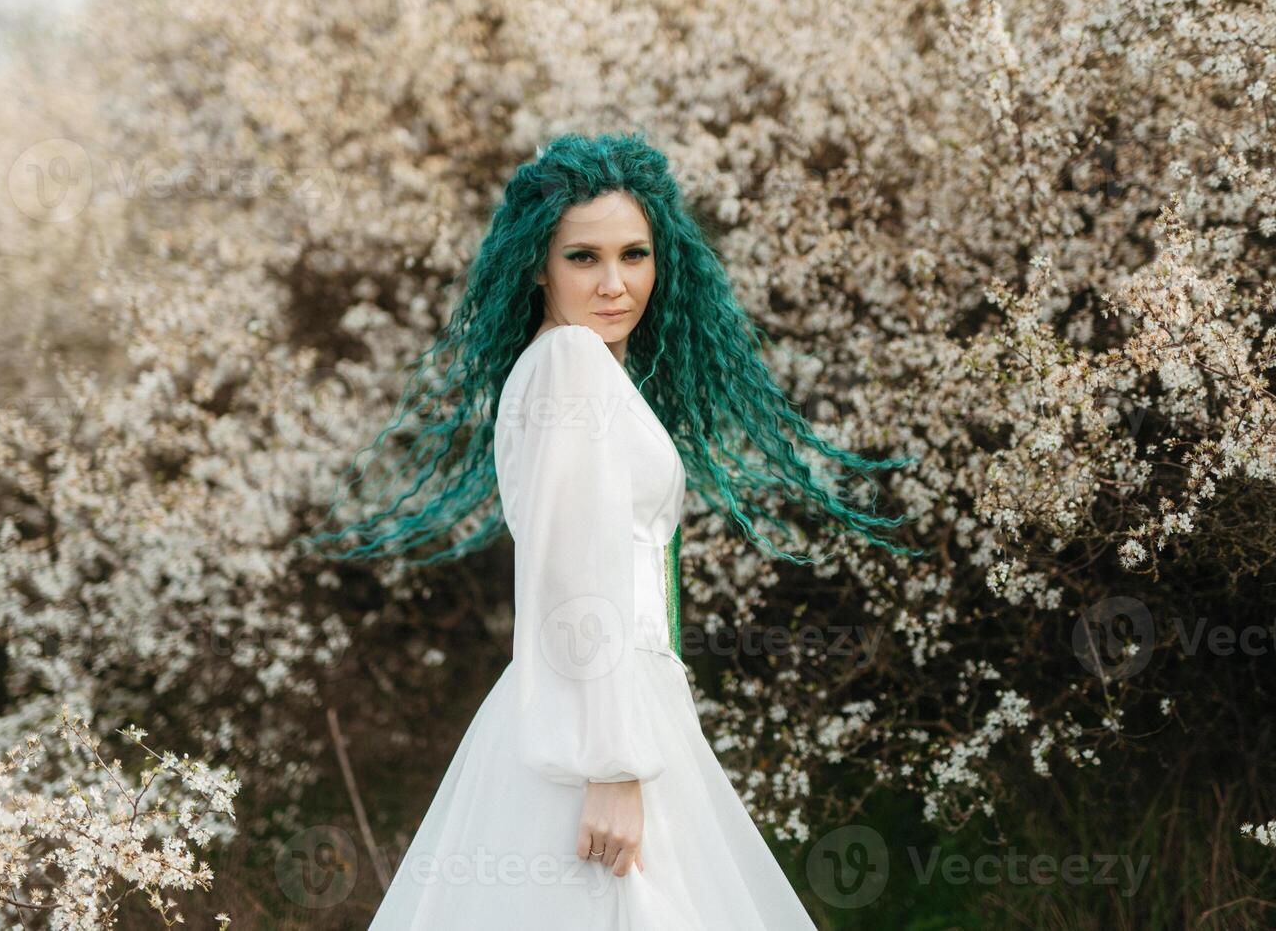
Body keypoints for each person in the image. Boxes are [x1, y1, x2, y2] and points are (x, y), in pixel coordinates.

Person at [301, 131, 923, 928]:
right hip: (600, 726)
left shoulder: (574, 366)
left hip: (617, 706)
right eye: (582, 258)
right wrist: (612, 766)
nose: (615, 284)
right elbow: (573, 574)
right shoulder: (571, 365)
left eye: (634, 254)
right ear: (538, 264)